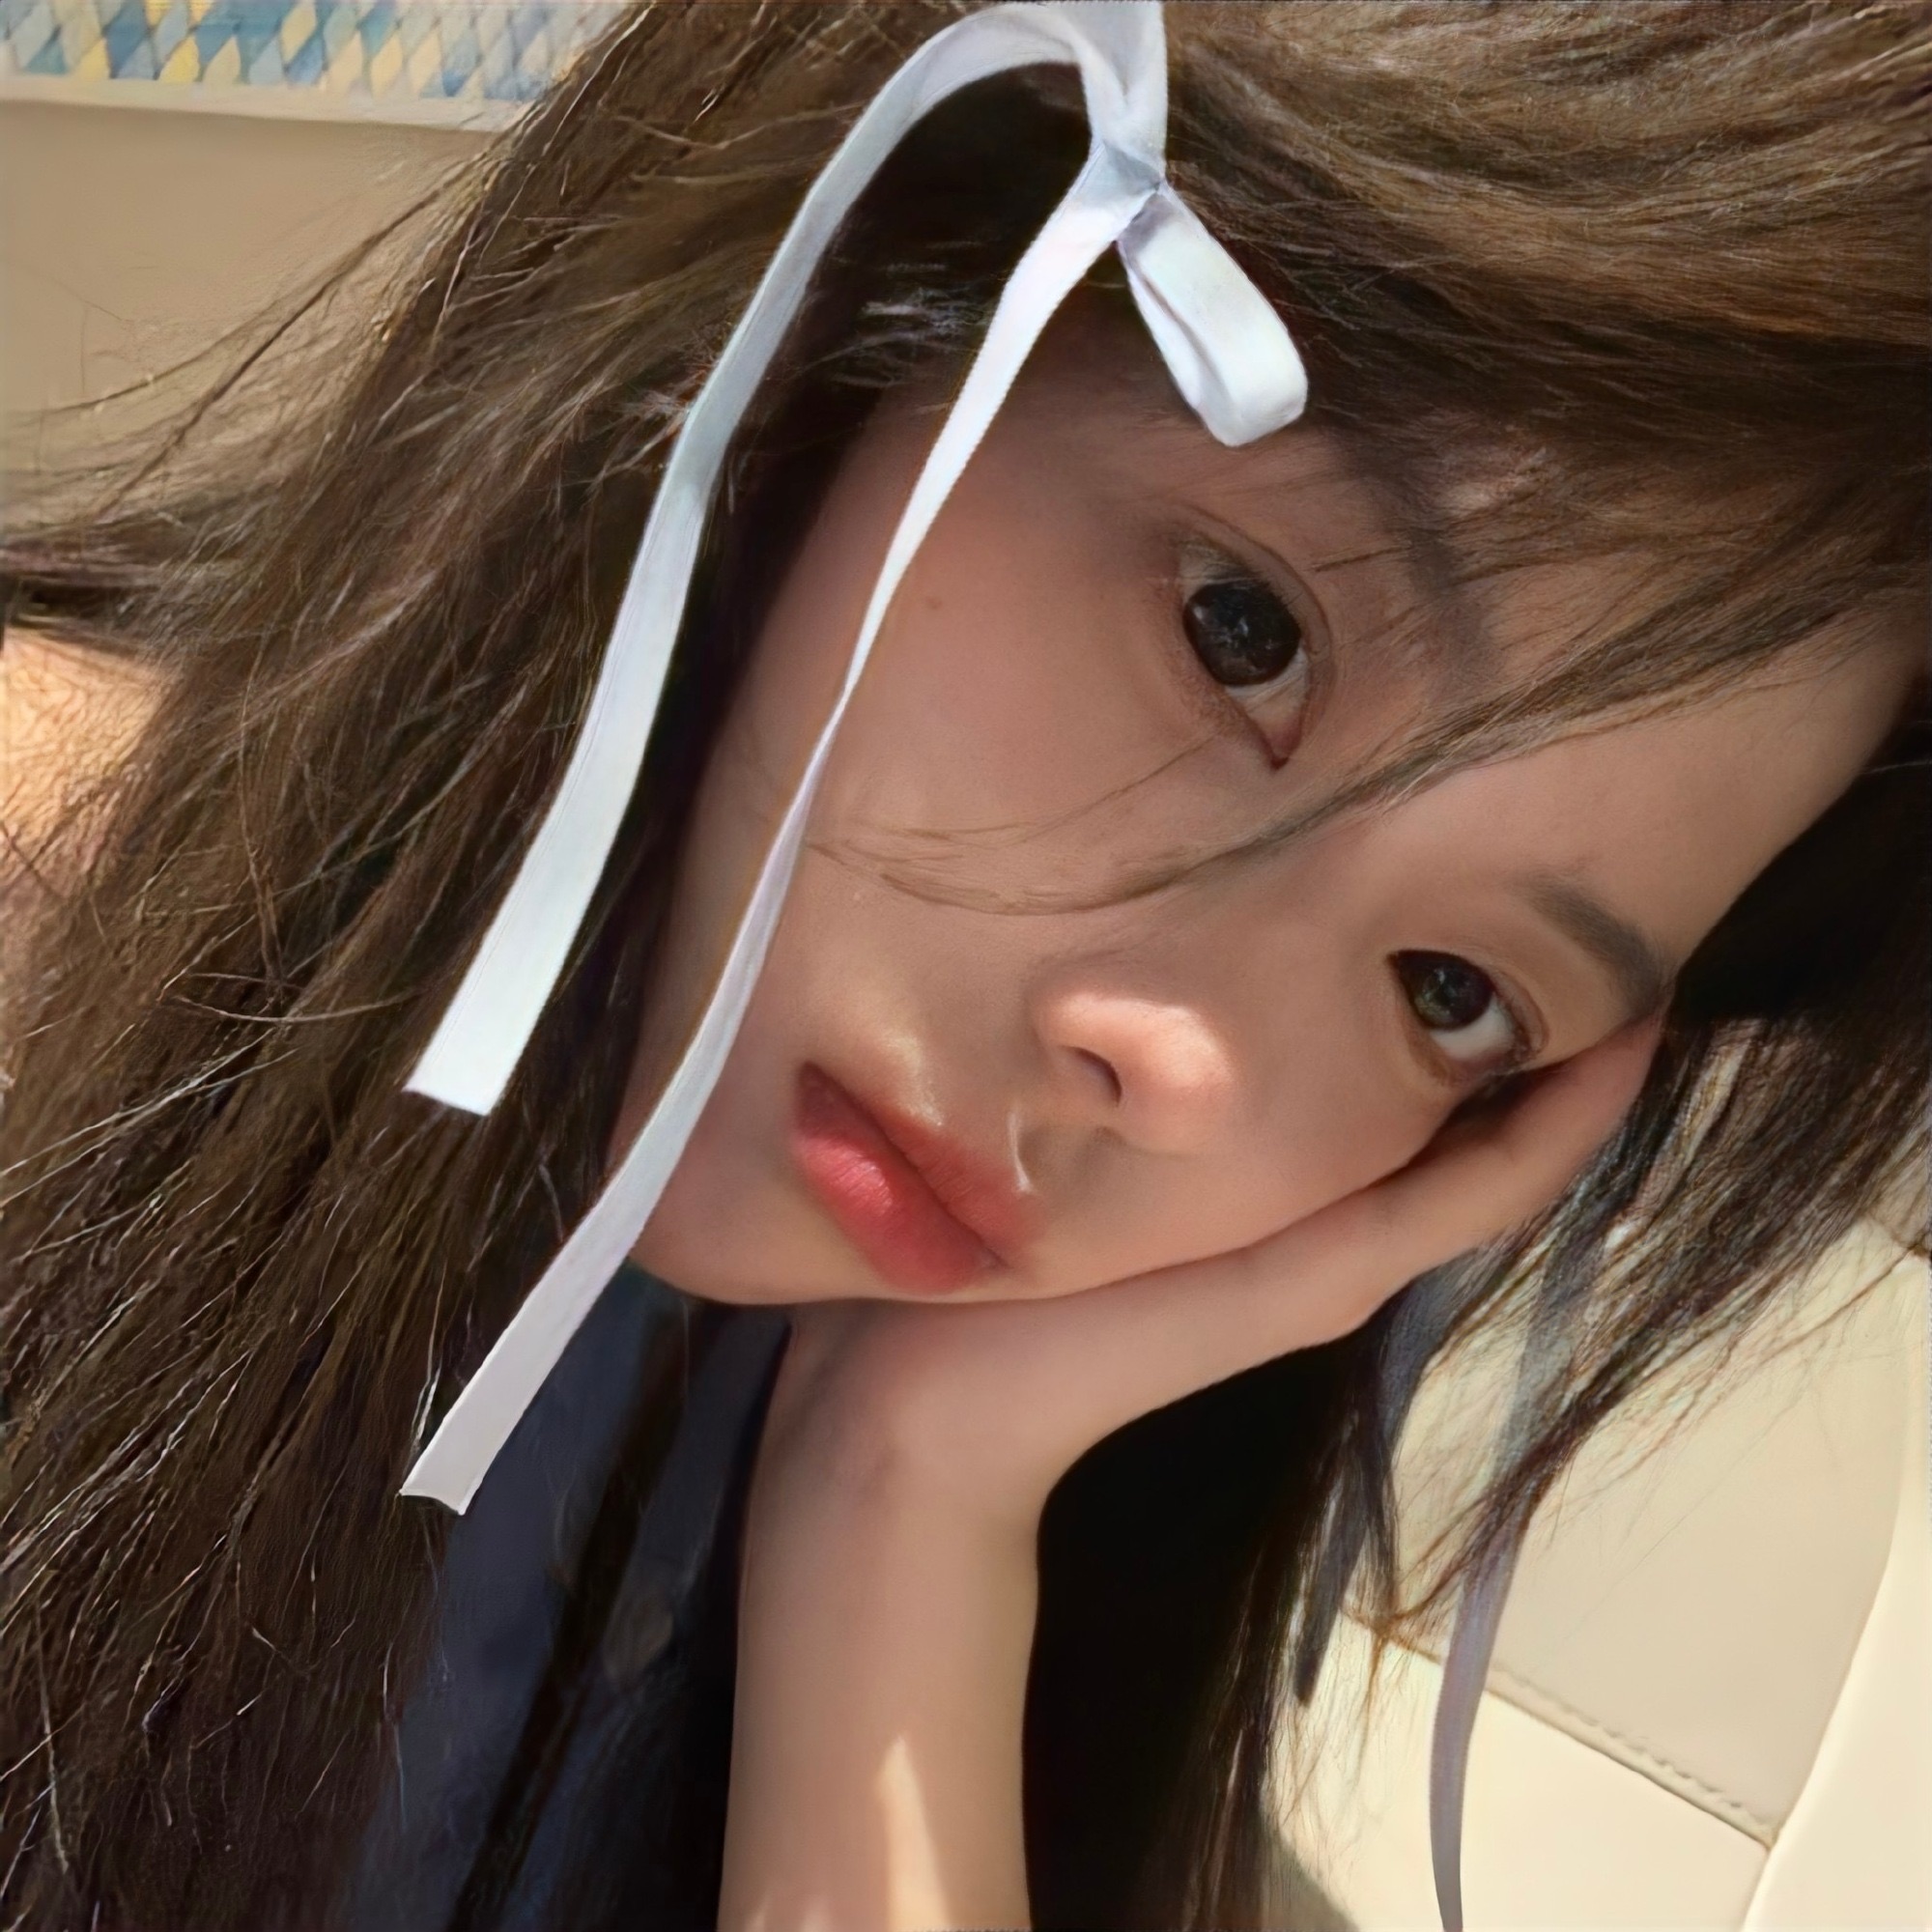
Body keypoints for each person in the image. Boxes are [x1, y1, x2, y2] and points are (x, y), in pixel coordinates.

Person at [0, 4, 1924, 1928]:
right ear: (880, 281)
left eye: (1450, 992)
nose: (1186, 1080)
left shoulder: (974, 1419)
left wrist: (908, 1503)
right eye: (1241, 631)